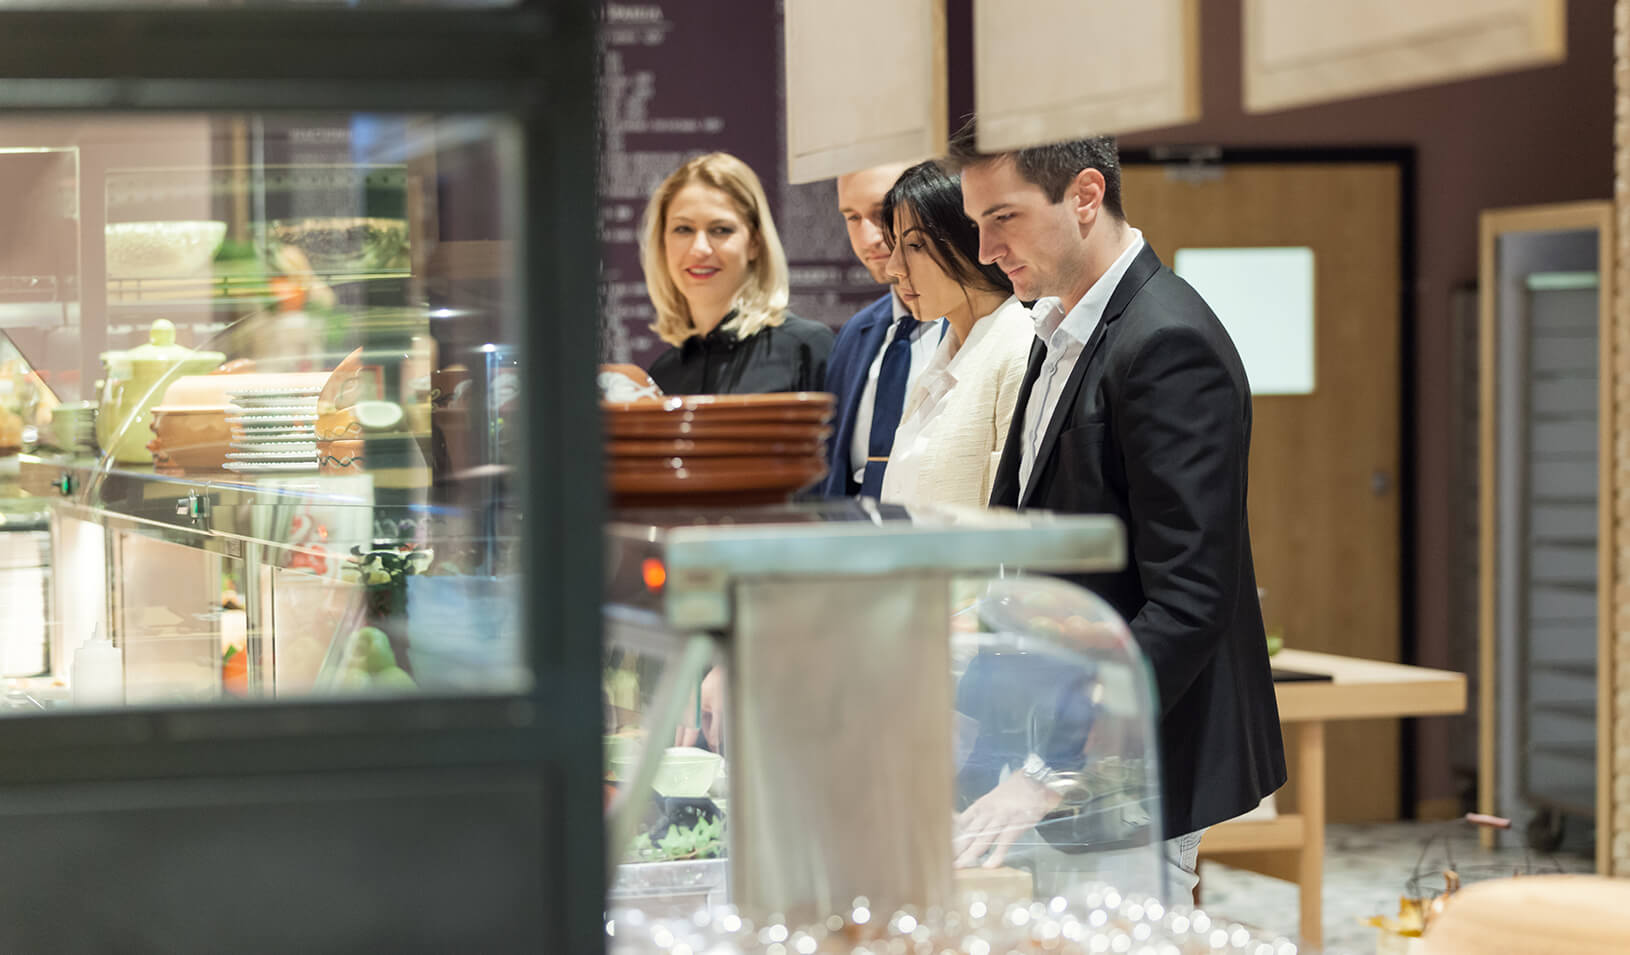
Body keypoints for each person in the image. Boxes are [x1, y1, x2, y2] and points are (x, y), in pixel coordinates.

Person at [947, 122, 1287, 900]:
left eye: (1004, 218)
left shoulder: (1167, 339)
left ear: (1086, 196)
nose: (986, 248)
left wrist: (1048, 769)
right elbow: (1037, 554)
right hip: (1056, 757)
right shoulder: (1059, 324)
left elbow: (1191, 602)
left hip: (1135, 773)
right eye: (976, 225)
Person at [873, 159, 1031, 510]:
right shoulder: (946, 353)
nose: (893, 268)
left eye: (916, 245)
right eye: (895, 245)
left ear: (969, 237)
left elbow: (1016, 519)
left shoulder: (1019, 349)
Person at [642, 152, 833, 394]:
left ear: (755, 242)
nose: (700, 249)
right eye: (683, 229)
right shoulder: (661, 376)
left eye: (720, 229)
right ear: (662, 242)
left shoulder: (807, 348)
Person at [816, 162, 945, 497]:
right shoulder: (856, 333)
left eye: (883, 212)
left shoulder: (986, 325)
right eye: (852, 217)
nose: (869, 237)